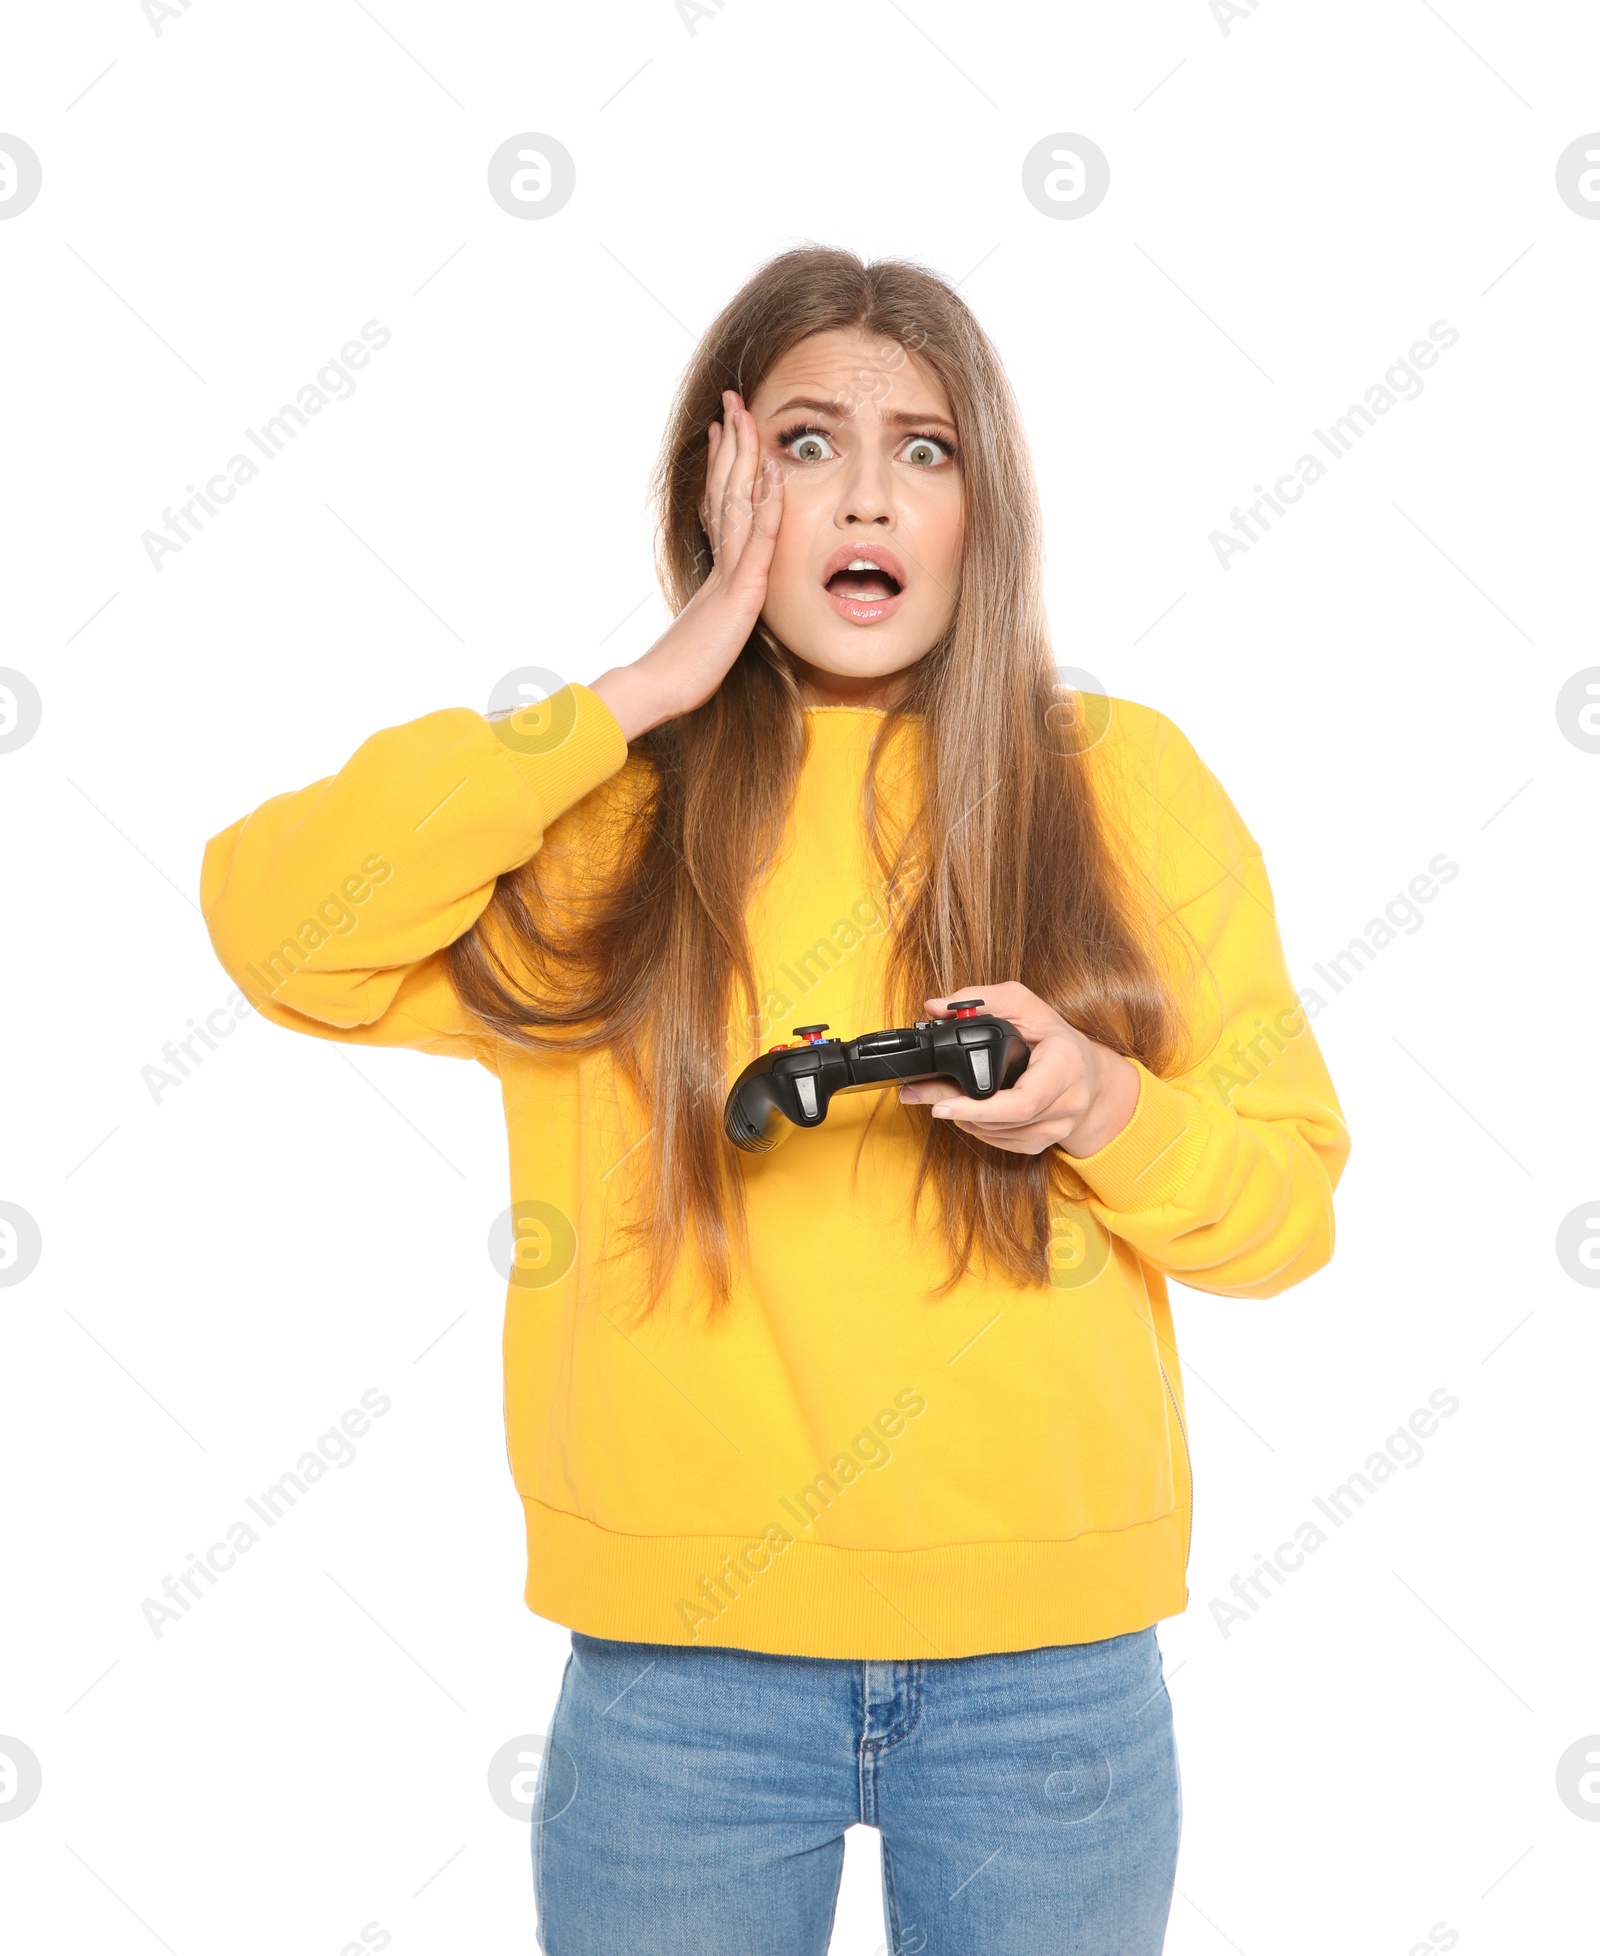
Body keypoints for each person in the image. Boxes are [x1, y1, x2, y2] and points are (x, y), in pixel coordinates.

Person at [200, 246, 1350, 1955]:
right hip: (682, 1688)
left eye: (927, 449)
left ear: (987, 507)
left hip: (1049, 1680)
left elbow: (1288, 1216)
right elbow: (277, 925)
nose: (868, 493)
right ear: (722, 488)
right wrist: (638, 694)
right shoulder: (599, 816)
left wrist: (1106, 1106)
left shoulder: (1125, 785)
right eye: (808, 444)